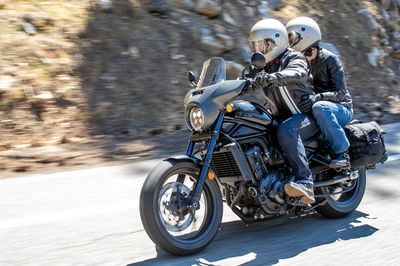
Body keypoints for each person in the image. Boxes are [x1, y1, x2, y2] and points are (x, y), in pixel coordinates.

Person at [248, 18, 318, 204]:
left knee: (287, 130)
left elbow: (297, 72)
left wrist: (273, 78)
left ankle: (305, 181)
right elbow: (243, 79)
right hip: (281, 117)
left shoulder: (294, 57)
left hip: (306, 117)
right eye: (255, 45)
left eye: (263, 44)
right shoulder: (262, 66)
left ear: (276, 42)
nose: (259, 50)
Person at [286, 17, 353, 167]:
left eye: (294, 38)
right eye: (289, 38)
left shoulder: (331, 60)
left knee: (320, 107)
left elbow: (340, 93)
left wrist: (316, 99)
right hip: (315, 108)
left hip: (341, 108)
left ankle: (342, 153)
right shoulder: (297, 64)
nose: (291, 41)